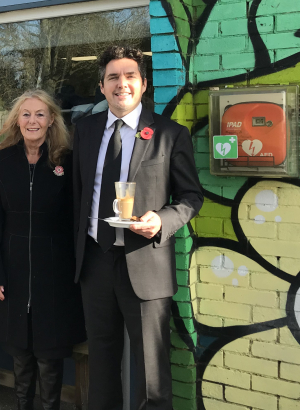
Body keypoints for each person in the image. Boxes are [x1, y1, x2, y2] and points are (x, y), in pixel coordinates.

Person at [72, 47, 203, 410]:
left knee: (151, 374)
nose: (121, 84)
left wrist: (162, 219)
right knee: (101, 362)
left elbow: (191, 197)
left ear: (143, 84)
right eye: (113, 77)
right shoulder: (84, 131)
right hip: (95, 261)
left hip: (145, 262)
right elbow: (79, 195)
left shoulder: (168, 134)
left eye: (130, 76)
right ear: (101, 86)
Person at [0, 90, 86, 410]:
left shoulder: (67, 161)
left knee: (50, 355)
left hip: (55, 271)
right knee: (20, 355)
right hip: (11, 269)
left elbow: (75, 220)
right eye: (26, 114)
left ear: (52, 119)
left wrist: (76, 271)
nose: (33, 120)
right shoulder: (1, 160)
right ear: (17, 120)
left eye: (40, 114)